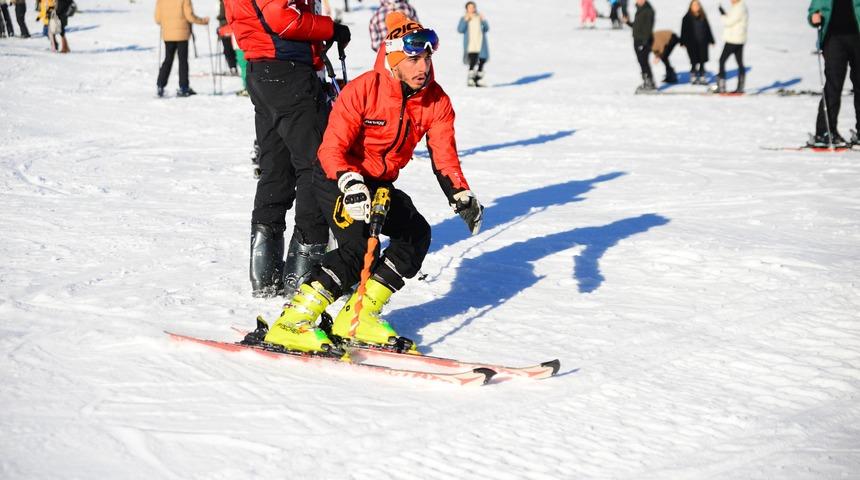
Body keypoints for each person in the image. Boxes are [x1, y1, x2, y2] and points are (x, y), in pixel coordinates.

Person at [261, 12, 483, 353]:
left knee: (415, 234)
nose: (422, 66)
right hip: (338, 176)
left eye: (426, 57)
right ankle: (292, 323)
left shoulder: (436, 101)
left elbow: (444, 155)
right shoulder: (364, 90)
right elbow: (331, 147)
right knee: (357, 249)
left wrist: (460, 192)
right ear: (393, 57)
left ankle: (360, 315)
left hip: (379, 184)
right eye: (412, 58)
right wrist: (350, 183)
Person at [224, 0, 351, 298]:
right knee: (317, 167)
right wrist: (329, 28)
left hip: (262, 68)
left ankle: (265, 273)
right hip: (288, 73)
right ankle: (304, 271)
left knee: (276, 168)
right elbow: (283, 18)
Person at [808, 0, 860, 147]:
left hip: (858, 36)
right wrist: (814, 17)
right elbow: (814, 9)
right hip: (833, 38)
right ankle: (825, 132)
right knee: (833, 85)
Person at [155, 0, 208, 97]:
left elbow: (158, 19)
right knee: (183, 61)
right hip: (182, 35)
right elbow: (190, 16)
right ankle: (184, 87)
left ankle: (160, 85)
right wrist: (203, 21)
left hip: (168, 35)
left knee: (168, 59)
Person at [713, 0, 748, 93]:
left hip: (733, 40)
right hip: (738, 39)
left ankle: (721, 86)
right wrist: (724, 13)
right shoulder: (738, 7)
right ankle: (740, 87)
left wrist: (722, 14)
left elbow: (728, 21)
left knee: (722, 60)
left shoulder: (739, 8)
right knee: (739, 63)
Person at [680, 0, 714, 85]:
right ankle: (693, 76)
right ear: (691, 6)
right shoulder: (686, 17)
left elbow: (708, 29)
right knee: (694, 60)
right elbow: (683, 31)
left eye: (697, 5)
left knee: (702, 60)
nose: (696, 7)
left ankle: (702, 77)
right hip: (691, 43)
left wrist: (711, 40)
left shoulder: (703, 16)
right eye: (694, 5)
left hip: (703, 42)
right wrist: (682, 42)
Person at [624, 0, 655, 92]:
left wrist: (644, 43)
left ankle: (649, 83)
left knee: (644, 62)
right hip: (637, 40)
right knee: (641, 62)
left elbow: (648, 28)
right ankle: (647, 81)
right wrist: (627, 22)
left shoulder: (648, 10)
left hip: (643, 41)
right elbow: (636, 26)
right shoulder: (640, 9)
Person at [457, 1, 489, 87]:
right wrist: (465, 20)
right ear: (467, 8)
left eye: (473, 7)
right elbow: (460, 30)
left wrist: (484, 20)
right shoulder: (464, 18)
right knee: (473, 60)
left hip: (480, 43)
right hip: (470, 44)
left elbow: (486, 28)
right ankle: (471, 79)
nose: (471, 9)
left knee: (482, 60)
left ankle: (478, 79)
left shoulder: (479, 17)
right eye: (469, 7)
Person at [216, 0, 237, 76]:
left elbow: (223, 14)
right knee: (231, 49)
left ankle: (233, 67)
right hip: (229, 27)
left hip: (226, 27)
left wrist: (219, 17)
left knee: (228, 49)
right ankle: (234, 67)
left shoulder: (224, 2)